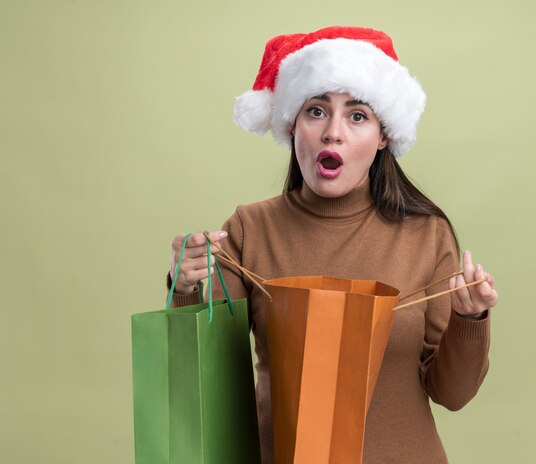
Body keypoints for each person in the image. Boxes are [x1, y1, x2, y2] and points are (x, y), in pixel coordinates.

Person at [166, 26, 499, 463]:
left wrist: (470, 317)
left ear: (383, 136)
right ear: (292, 124)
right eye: (316, 111)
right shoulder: (248, 230)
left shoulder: (426, 234)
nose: (333, 133)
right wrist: (185, 287)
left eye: (357, 115)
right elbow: (207, 387)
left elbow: (451, 394)